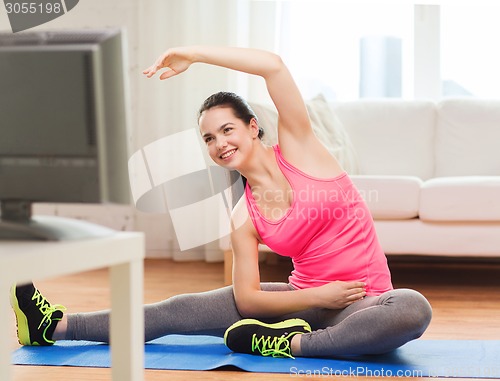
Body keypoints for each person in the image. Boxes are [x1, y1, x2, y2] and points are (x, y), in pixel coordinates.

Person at [11, 46, 432, 359]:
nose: (219, 144)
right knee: (178, 310)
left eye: (227, 130)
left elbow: (274, 66)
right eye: (209, 138)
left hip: (363, 302)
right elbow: (248, 300)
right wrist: (320, 296)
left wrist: (192, 54)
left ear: (253, 128)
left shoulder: (301, 150)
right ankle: (55, 325)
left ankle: (291, 345)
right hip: (304, 300)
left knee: (412, 309)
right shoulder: (241, 215)